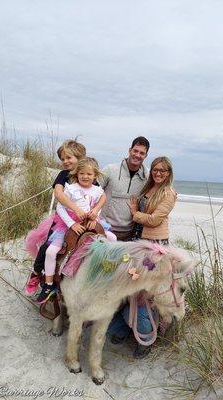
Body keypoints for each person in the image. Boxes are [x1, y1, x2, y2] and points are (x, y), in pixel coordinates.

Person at [108, 156, 177, 358]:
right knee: (127, 288)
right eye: (155, 169)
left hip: (154, 247)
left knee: (143, 294)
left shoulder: (169, 193)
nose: (158, 173)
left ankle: (145, 337)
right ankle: (122, 328)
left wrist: (135, 213)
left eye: (163, 171)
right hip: (137, 241)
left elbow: (155, 220)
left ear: (169, 173)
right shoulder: (148, 188)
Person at [34, 157, 116, 304]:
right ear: (76, 174)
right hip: (69, 226)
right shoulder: (71, 189)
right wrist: (72, 224)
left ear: (95, 176)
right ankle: (49, 284)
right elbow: (60, 207)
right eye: (82, 173)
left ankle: (104, 272)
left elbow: (99, 203)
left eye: (89, 174)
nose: (85, 177)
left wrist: (94, 217)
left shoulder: (97, 190)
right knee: (50, 251)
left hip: (89, 225)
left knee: (112, 238)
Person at [25, 139, 87, 296]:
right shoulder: (63, 175)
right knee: (48, 246)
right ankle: (36, 272)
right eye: (63, 159)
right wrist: (75, 208)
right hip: (63, 218)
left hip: (83, 220)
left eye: (69, 157)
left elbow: (97, 194)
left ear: (80, 157)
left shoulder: (86, 174)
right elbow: (58, 194)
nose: (65, 162)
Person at [100, 136, 150, 241]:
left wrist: (170, 190)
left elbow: (161, 184)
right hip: (104, 230)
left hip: (129, 233)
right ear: (129, 150)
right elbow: (92, 189)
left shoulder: (147, 176)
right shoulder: (110, 170)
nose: (137, 155)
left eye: (142, 153)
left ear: (146, 156)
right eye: (135, 151)